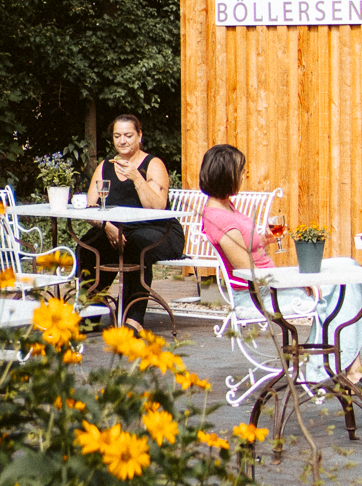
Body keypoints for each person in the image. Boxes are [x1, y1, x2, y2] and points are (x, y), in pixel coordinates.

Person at [76, 112, 185, 326]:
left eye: (128, 135)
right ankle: (91, 313)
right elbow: (91, 207)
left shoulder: (152, 164)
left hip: (159, 230)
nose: (122, 141)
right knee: (88, 246)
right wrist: (106, 225)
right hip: (118, 230)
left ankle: (132, 319)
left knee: (136, 247)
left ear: (139, 136)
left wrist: (136, 177)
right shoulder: (105, 166)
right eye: (117, 136)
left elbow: (157, 207)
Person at [196, 143, 272, 290]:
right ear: (224, 175)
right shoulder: (220, 220)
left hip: (266, 287)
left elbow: (242, 248)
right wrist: (288, 282)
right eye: (240, 171)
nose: (243, 176)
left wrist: (263, 240)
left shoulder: (225, 206)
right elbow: (247, 270)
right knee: (325, 292)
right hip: (258, 295)